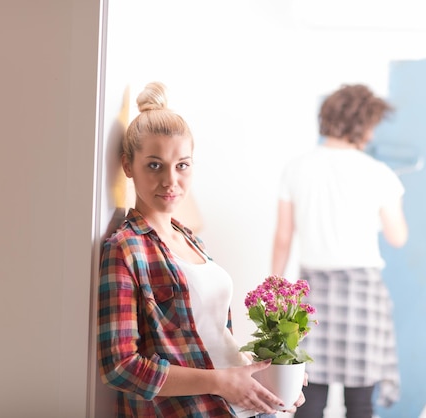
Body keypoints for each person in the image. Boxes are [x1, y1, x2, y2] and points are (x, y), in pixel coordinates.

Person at [97, 81, 304, 417]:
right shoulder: (126, 248)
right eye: (154, 165)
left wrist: (271, 379)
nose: (170, 181)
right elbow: (121, 366)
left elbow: (215, 340)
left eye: (182, 165)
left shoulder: (193, 241)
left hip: (239, 408)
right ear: (127, 166)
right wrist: (220, 383)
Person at [271, 84, 408, 418]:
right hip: (362, 294)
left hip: (312, 293)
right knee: (360, 401)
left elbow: (283, 238)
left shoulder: (296, 167)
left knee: (308, 393)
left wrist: (275, 293)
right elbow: (397, 236)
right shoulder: (379, 173)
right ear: (364, 124)